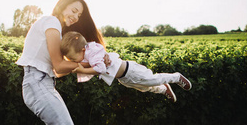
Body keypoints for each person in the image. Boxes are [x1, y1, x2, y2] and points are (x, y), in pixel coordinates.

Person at [15, 0, 107, 125]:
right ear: (62, 5)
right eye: (73, 10)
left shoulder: (54, 27)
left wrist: (88, 64)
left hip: (43, 84)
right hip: (37, 84)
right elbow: (58, 65)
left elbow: (58, 71)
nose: (75, 17)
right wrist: (92, 66)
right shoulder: (51, 22)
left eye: (79, 15)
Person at [60, 31, 192, 102]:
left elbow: (100, 69)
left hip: (131, 70)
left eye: (72, 58)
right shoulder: (88, 53)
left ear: (83, 50)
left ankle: (176, 77)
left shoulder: (93, 53)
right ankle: (164, 89)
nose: (72, 61)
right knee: (144, 88)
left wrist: (83, 70)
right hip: (124, 78)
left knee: (153, 79)